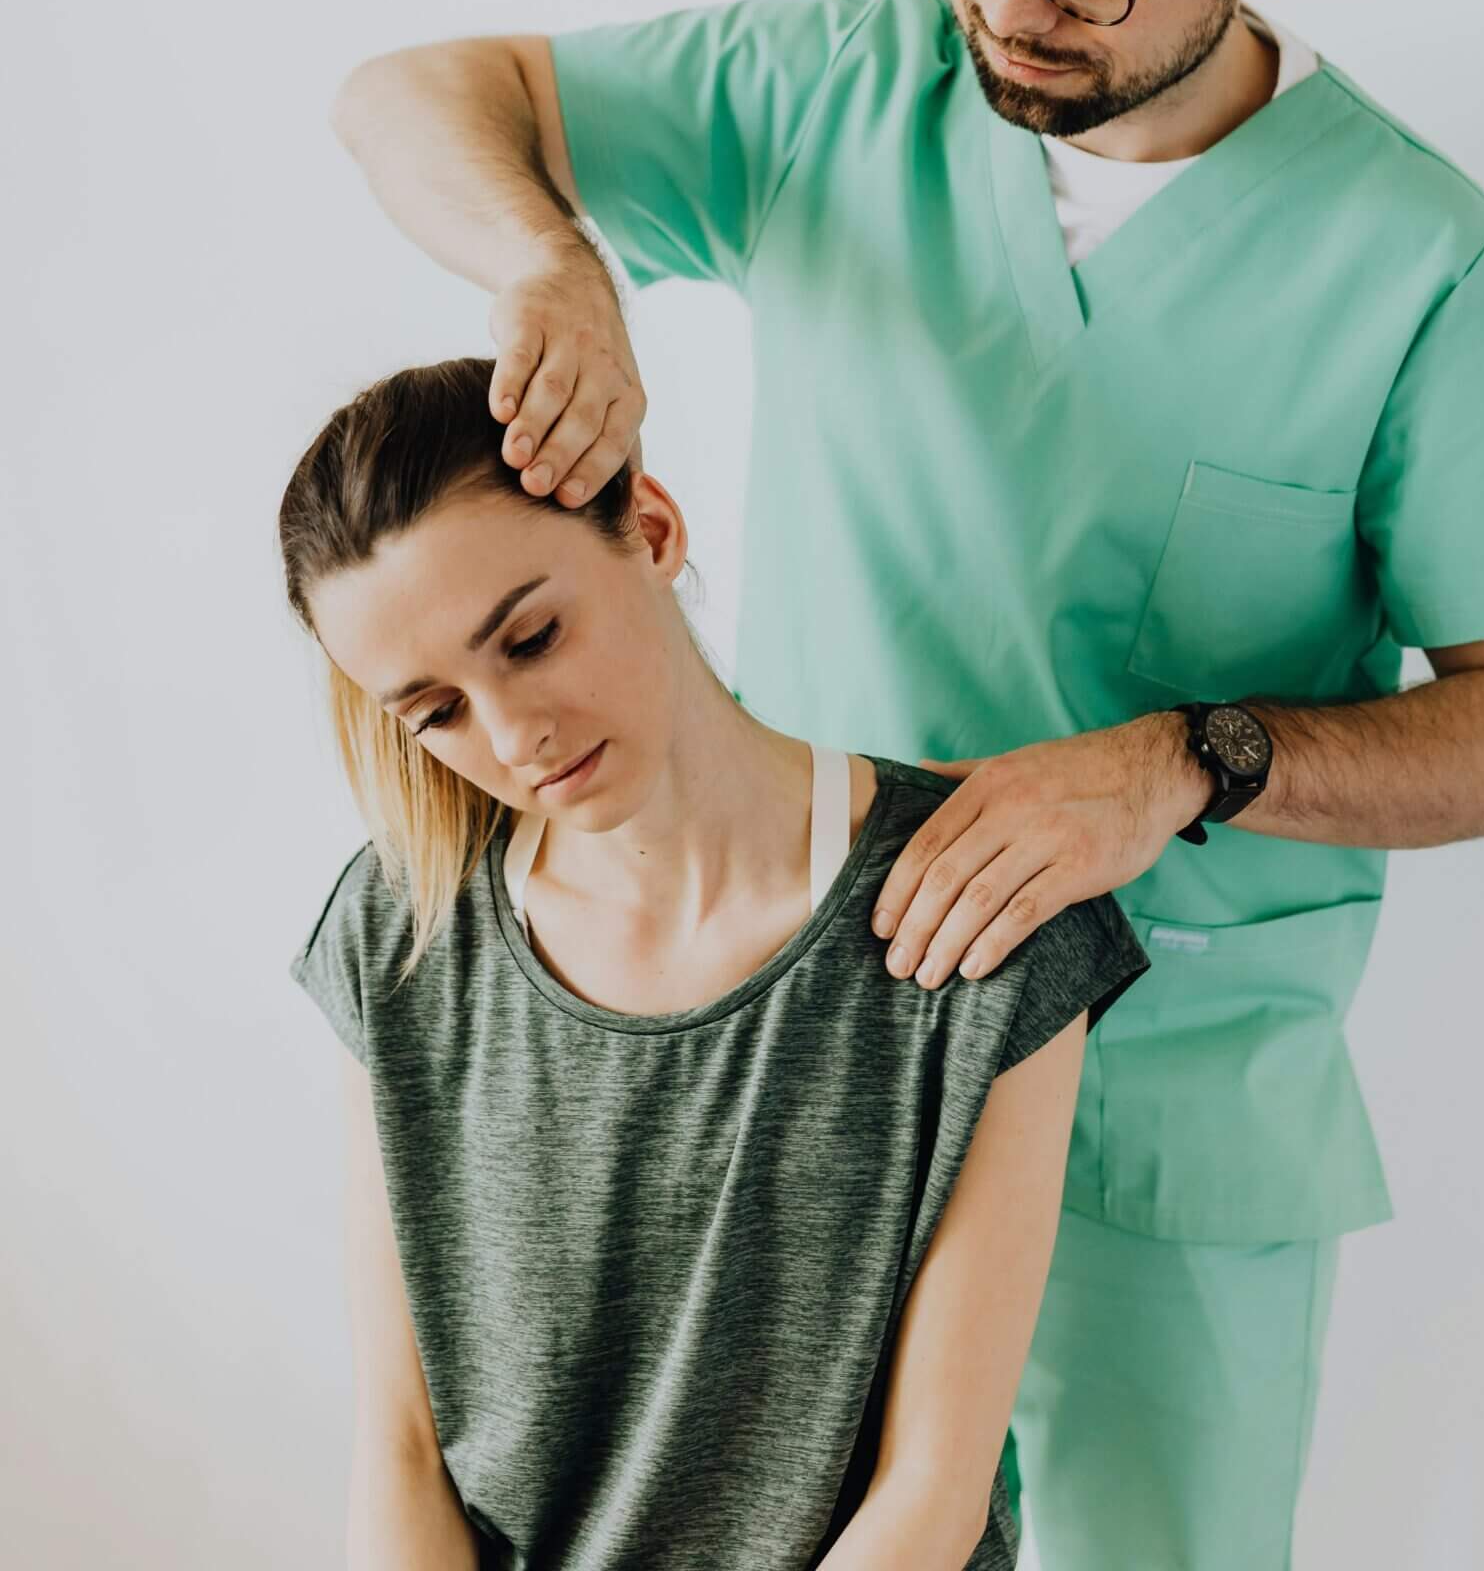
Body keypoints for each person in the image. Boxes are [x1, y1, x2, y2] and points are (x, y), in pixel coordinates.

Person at [327, 0, 1484, 1570]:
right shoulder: (835, 91)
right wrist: (549, 260)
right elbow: (410, 92)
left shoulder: (1422, 264)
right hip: (809, 1074)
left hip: (1162, 1118)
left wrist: (1181, 761)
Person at [280, 355, 1147, 1571]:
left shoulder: (981, 908)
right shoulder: (402, 931)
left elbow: (931, 1494)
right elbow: (403, 1453)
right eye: (437, 712)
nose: (514, 735)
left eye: (530, 638)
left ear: (650, 528)